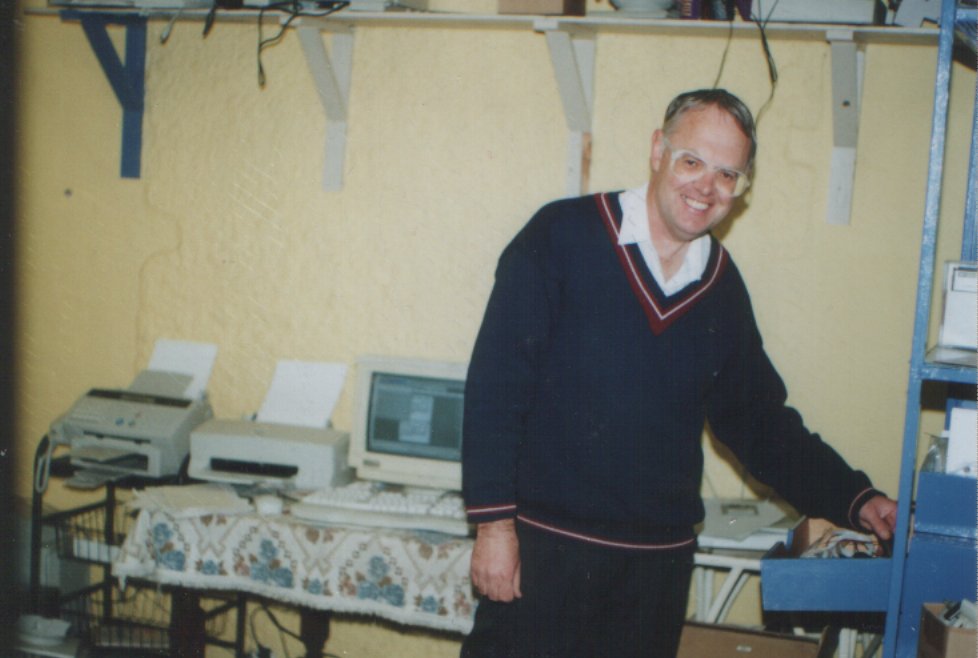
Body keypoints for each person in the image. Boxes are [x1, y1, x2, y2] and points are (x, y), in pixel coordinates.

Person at [459, 88, 897, 658]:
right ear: (657, 151)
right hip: (546, 556)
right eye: (692, 161)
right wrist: (494, 527)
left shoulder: (721, 286)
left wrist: (855, 497)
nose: (705, 187)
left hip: (652, 578)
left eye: (726, 174)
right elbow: (496, 388)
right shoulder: (560, 235)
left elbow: (759, 422)